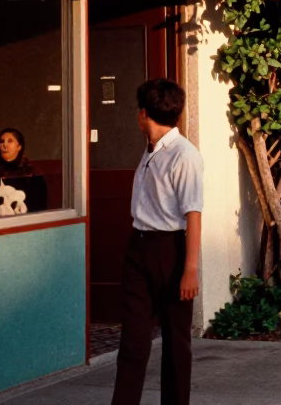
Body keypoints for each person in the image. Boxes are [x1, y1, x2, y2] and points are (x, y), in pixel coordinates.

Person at [113, 79, 203, 405]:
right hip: (139, 249)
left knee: (176, 343)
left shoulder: (184, 155)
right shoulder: (151, 149)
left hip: (171, 251)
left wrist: (190, 269)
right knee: (133, 342)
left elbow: (193, 214)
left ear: (143, 114)